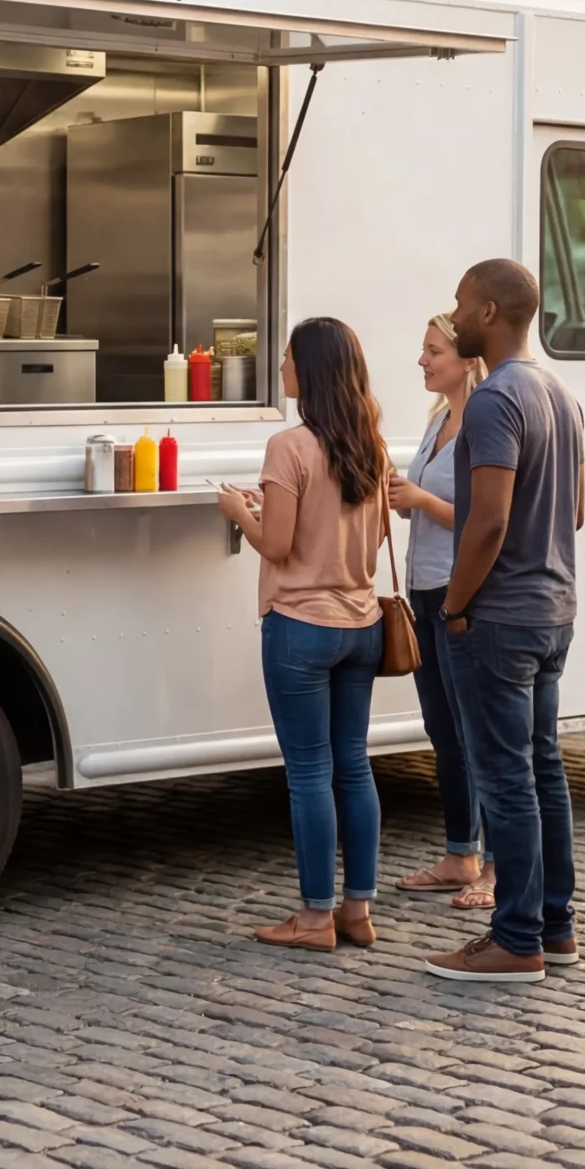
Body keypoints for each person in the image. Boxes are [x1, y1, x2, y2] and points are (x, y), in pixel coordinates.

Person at [423, 259, 585, 984]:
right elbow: (575, 511)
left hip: (499, 616)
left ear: (488, 310)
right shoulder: (561, 393)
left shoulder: (493, 401)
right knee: (543, 769)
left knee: (507, 777)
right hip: (554, 608)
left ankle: (515, 936)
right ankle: (555, 926)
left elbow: (485, 523)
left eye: (460, 301)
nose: (452, 312)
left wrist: (455, 606)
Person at [217, 316, 389, 952]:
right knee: (353, 764)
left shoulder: (288, 448)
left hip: (301, 628)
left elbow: (280, 545)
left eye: (287, 357)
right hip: (362, 625)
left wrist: (240, 513)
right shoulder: (370, 441)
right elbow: (367, 538)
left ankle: (314, 919)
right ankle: (358, 910)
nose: (281, 366)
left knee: (309, 772)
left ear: (307, 371)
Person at [387, 311, 494, 910]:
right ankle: (461, 853)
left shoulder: (482, 423)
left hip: (462, 591)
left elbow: (486, 520)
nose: (423, 361)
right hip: (425, 588)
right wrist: (400, 494)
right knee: (443, 731)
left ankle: (494, 865)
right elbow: (424, 506)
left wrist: (421, 498)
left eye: (432, 351)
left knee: (477, 732)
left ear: (465, 360)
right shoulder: (437, 423)